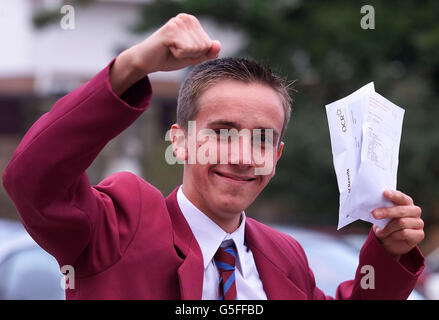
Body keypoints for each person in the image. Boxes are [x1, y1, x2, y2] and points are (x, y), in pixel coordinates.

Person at [2, 13, 425, 300]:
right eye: (223, 133)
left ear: (276, 157)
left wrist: (387, 253)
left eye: (262, 141)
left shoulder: (285, 257)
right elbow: (32, 176)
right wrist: (130, 67)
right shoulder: (120, 222)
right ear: (179, 142)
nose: (243, 157)